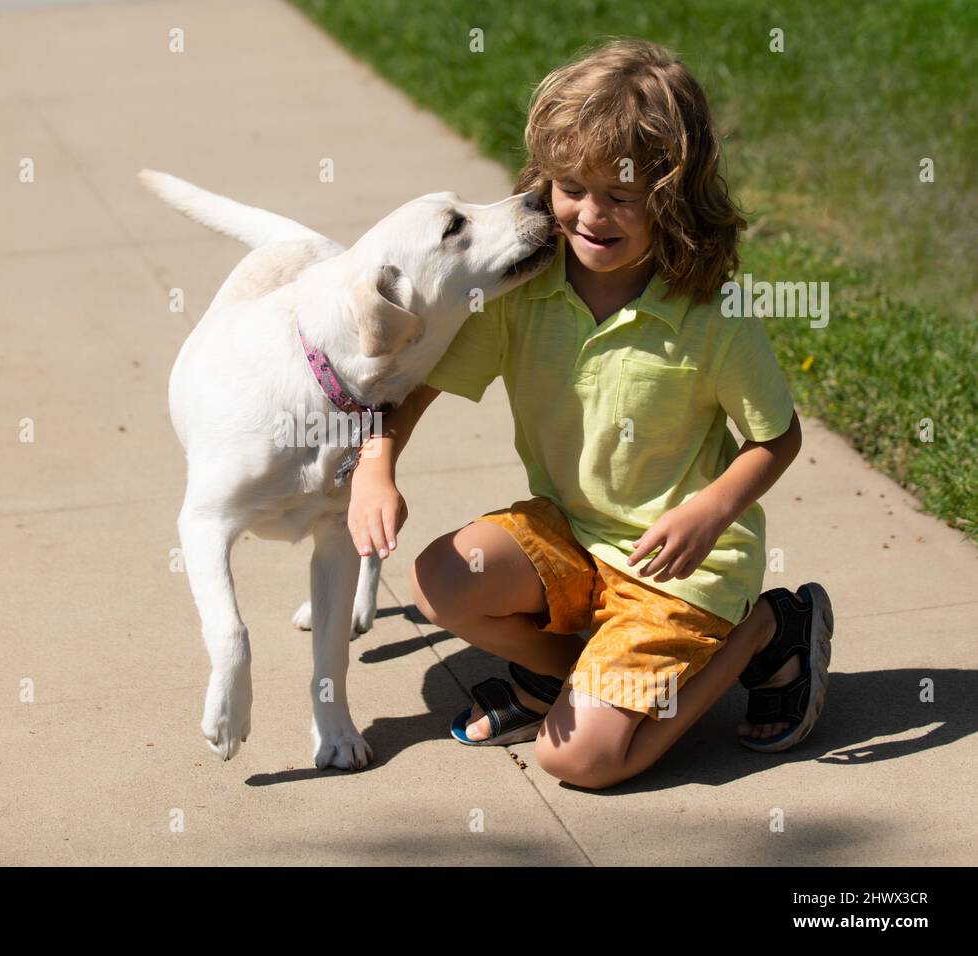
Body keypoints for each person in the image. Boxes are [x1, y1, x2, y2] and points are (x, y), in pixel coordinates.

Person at [347, 39, 833, 790]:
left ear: (674, 195)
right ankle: (568, 678)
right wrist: (377, 468)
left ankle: (767, 627)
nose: (590, 214)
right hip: (573, 537)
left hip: (681, 570)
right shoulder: (522, 292)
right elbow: (411, 394)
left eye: (623, 196)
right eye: (571, 186)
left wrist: (711, 511)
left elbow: (777, 437)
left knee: (579, 760)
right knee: (442, 579)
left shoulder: (713, 313)